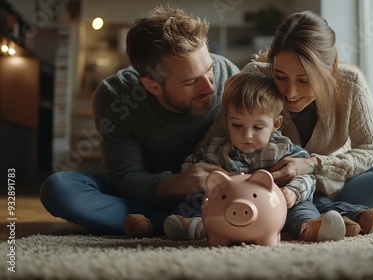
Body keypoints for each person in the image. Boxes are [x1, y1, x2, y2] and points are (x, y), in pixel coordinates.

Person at [39, 5, 240, 235]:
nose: (210, 86)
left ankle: (156, 223)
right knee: (59, 189)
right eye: (191, 82)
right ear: (151, 85)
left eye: (209, 68)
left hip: (209, 194)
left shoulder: (228, 75)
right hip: (147, 193)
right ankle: (176, 222)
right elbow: (125, 177)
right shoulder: (116, 96)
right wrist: (177, 183)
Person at [213, 11, 373, 233]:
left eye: (304, 80)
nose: (290, 92)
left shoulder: (350, 83)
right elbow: (219, 136)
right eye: (280, 77)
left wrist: (313, 164)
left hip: (332, 185)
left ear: (329, 71)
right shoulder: (255, 77)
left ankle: (319, 214)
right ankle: (341, 214)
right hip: (274, 190)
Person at [125, 71, 373, 241]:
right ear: (226, 121)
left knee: (303, 208)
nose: (247, 135)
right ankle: (161, 225)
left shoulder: (284, 149)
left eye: (258, 128)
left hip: (274, 206)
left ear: (276, 124)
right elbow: (191, 171)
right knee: (189, 208)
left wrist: (291, 193)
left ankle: (311, 228)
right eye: (237, 126)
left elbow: (309, 178)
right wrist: (202, 183)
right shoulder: (215, 149)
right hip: (226, 205)